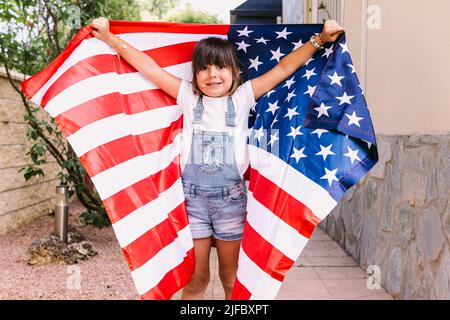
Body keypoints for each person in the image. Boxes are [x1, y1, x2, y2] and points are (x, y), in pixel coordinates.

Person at [89, 17, 344, 300]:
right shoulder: (187, 96)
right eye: (204, 68)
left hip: (231, 202)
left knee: (230, 278)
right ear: (195, 74)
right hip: (192, 202)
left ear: (235, 72)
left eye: (220, 67)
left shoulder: (244, 96)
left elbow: (285, 67)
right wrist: (110, 38)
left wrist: (319, 40)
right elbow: (148, 66)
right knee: (196, 278)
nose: (212, 74)